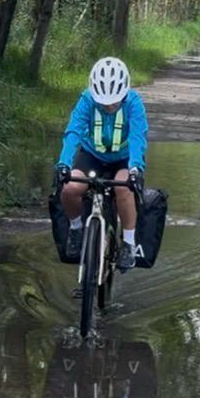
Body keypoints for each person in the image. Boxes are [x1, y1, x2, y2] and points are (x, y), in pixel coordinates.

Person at [55, 57, 148, 272]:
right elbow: (73, 132)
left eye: (114, 101)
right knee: (70, 188)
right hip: (91, 155)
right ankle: (76, 229)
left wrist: (135, 168)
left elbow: (137, 137)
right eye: (104, 101)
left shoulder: (134, 102)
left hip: (123, 159)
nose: (108, 105)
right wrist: (63, 164)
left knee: (122, 187)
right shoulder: (86, 100)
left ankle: (128, 243)